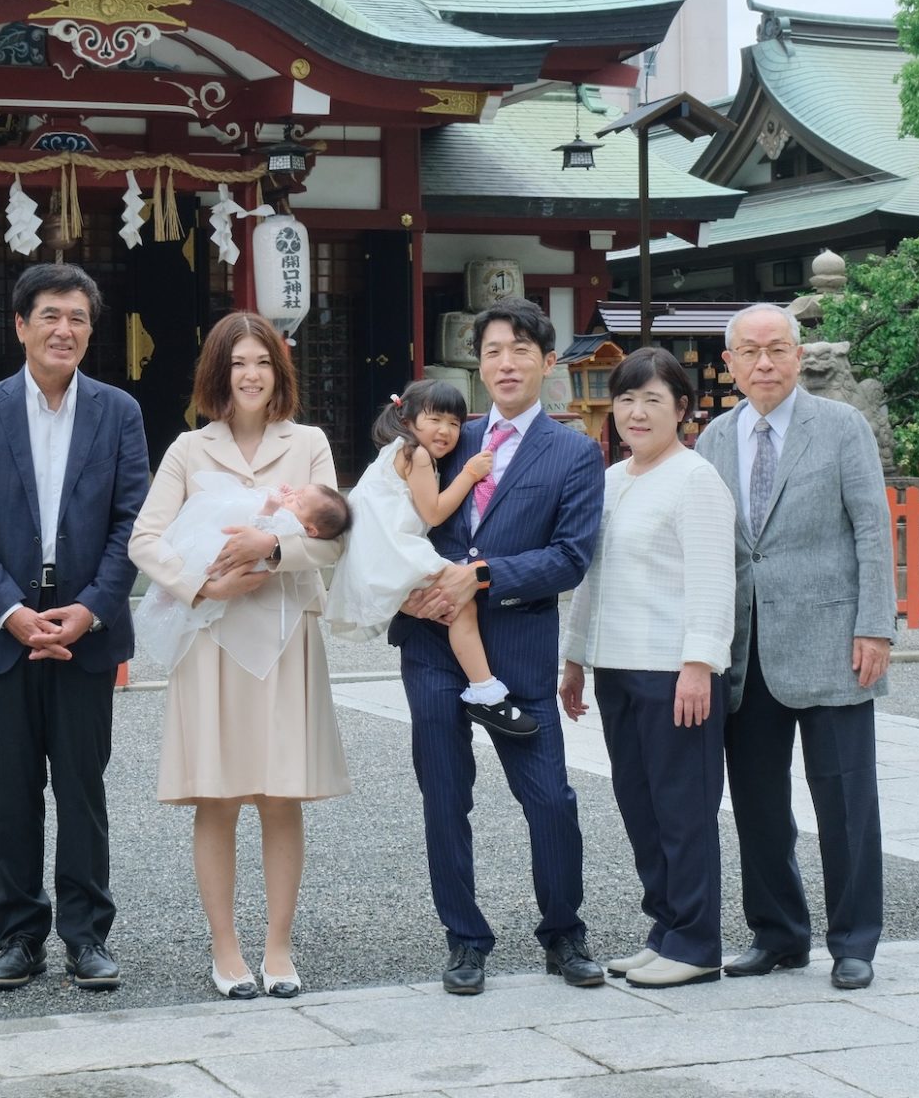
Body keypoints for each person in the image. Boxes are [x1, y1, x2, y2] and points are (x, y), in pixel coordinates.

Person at [128, 312, 349, 1002]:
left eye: (261, 362)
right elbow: (145, 539)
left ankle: (278, 947)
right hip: (213, 636)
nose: (249, 374)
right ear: (216, 376)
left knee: (281, 796)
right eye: (236, 363)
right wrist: (204, 583)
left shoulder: (307, 443)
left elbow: (336, 538)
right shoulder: (190, 451)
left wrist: (272, 549)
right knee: (218, 797)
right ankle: (227, 951)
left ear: (278, 373)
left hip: (286, 636)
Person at [389, 296, 605, 995]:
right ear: (476, 364)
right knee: (444, 797)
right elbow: (394, 520)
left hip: (517, 648)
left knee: (550, 800)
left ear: (547, 363)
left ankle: (563, 931)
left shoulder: (574, 453)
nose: (505, 362)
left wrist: (480, 574)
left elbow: (571, 556)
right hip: (430, 647)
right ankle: (465, 938)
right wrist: (404, 586)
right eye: (492, 351)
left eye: (519, 350)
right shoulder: (448, 434)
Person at [0, 263, 149, 993]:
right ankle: (19, 935)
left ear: (92, 331)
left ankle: (86, 934)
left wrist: (90, 609)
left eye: (79, 319)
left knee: (83, 790)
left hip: (87, 629)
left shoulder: (118, 412)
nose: (65, 329)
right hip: (7, 634)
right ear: (22, 325)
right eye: (51, 316)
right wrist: (12, 610)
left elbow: (134, 522)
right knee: (13, 790)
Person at [696, 302, 896, 991]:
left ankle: (854, 939)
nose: (764, 363)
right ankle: (778, 933)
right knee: (756, 803)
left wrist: (876, 625)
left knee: (845, 799)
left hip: (834, 639)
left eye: (776, 349)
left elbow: (872, 529)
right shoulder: (715, 439)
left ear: (799, 353)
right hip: (745, 649)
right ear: (729, 364)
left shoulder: (841, 427)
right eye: (748, 352)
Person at [558, 348, 736, 988]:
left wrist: (698, 663)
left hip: (672, 670)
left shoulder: (696, 479)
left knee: (683, 808)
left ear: (682, 410)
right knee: (641, 806)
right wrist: (574, 656)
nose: (635, 411)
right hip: (617, 667)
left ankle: (695, 942)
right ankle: (665, 929)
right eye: (627, 398)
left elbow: (715, 581)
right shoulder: (611, 480)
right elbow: (589, 578)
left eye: (652, 400)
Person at [327, 379, 537, 737]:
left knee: (448, 608)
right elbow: (435, 512)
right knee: (462, 603)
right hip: (396, 552)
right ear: (407, 419)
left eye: (454, 423)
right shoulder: (416, 454)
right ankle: (485, 692)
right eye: (435, 419)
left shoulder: (394, 450)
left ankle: (480, 688)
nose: (445, 430)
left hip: (379, 553)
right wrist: (471, 474)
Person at [135, 477, 350, 676]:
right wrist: (207, 590)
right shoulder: (186, 446)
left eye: (298, 502)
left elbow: (334, 544)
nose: (292, 497)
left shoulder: (291, 521)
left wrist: (270, 542)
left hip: (275, 615)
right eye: (297, 493)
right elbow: (143, 540)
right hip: (209, 626)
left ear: (311, 529)